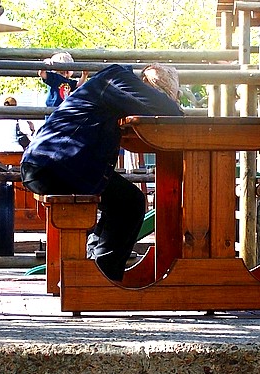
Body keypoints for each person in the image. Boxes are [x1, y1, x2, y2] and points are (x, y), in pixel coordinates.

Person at [21, 63, 182, 282]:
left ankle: (96, 267)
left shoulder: (109, 84)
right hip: (56, 163)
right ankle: (104, 279)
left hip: (50, 163)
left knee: (121, 200)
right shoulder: (117, 78)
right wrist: (169, 101)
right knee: (130, 202)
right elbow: (167, 110)